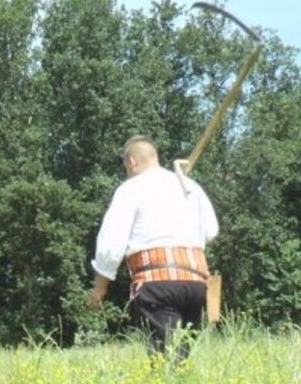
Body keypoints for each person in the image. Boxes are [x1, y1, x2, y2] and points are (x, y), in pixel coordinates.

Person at [88, 136, 218, 360]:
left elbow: (112, 242)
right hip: (196, 283)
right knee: (182, 355)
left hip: (158, 283)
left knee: (166, 360)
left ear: (132, 161)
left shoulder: (131, 189)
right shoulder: (190, 186)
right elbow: (211, 231)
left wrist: (100, 287)